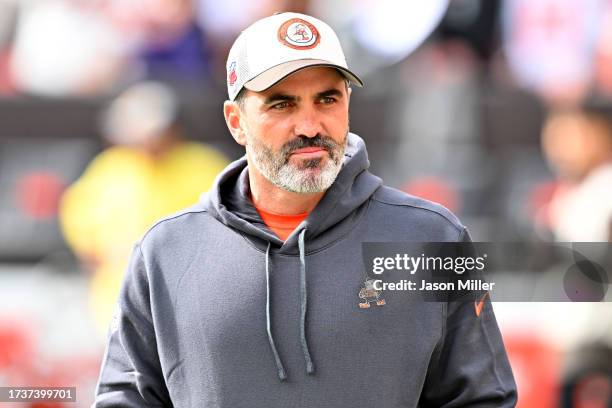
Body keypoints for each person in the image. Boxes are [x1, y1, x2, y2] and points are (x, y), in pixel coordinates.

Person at [93, 12, 517, 407]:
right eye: (282, 104)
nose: (311, 126)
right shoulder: (166, 251)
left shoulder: (432, 238)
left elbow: (482, 398)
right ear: (235, 121)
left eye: (327, 99)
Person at [60, 81, 229, 334]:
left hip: (194, 303)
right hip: (117, 303)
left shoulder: (203, 165)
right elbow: (78, 220)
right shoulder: (109, 168)